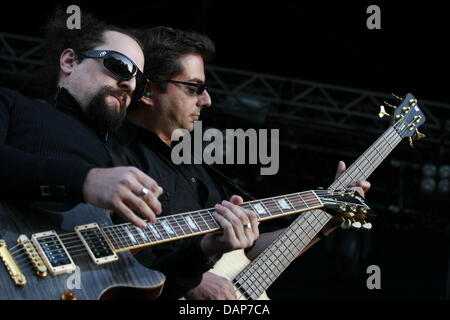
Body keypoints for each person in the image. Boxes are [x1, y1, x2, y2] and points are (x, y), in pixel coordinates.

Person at [109, 26, 370, 299]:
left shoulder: (196, 169)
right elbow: (101, 253)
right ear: (149, 91)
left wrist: (327, 217)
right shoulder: (110, 160)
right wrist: (192, 280)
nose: (207, 100)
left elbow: (250, 250)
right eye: (194, 88)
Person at [0, 8, 163, 227]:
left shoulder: (123, 159)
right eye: (121, 65)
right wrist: (86, 180)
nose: (131, 85)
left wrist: (203, 250)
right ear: (70, 61)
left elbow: (138, 258)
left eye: (140, 83)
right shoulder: (11, 103)